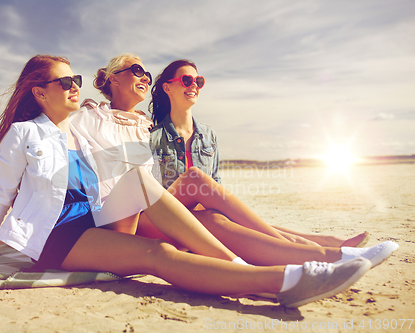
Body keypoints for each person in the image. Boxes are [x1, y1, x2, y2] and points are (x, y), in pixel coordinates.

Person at [0, 54, 377, 308]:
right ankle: (276, 280)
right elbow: (1, 198)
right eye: (65, 81)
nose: (75, 86)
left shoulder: (75, 127)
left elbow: (114, 169)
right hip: (57, 237)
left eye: (76, 79)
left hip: (98, 218)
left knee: (160, 192)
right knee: (159, 251)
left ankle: (272, 264)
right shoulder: (29, 133)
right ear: (40, 92)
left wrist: (133, 146)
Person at [73, 53, 396, 267]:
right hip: (119, 214)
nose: (143, 76)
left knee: (216, 220)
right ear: (113, 78)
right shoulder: (90, 116)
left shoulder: (146, 125)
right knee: (196, 180)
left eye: (146, 72)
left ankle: (328, 255)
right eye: (135, 70)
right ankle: (322, 248)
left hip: (153, 209)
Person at [148, 59, 370, 248]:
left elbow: (215, 182)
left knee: (240, 222)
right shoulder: (153, 137)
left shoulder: (208, 135)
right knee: (223, 212)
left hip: (205, 214)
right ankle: (298, 245)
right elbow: (153, 193)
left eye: (199, 81)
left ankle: (326, 241)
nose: (194, 85)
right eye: (187, 80)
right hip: (173, 219)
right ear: (168, 87)